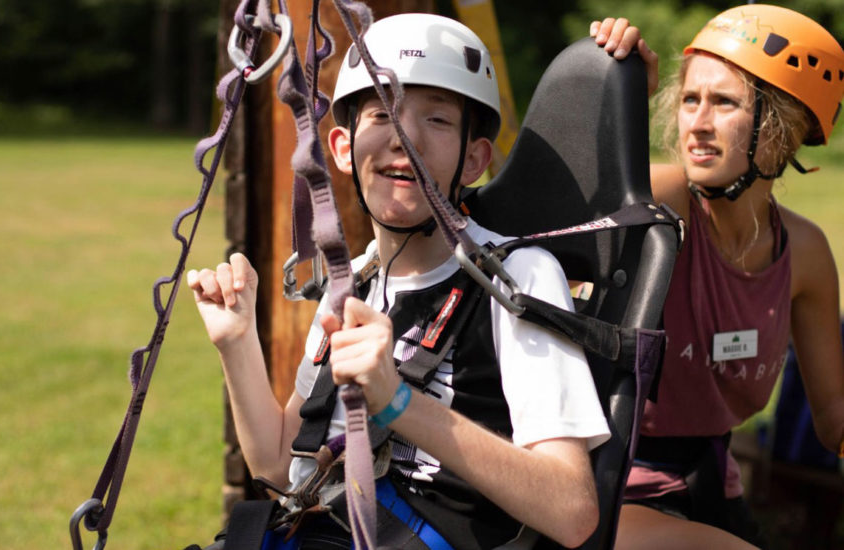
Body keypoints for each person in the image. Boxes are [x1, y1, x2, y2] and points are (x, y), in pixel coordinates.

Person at [188, 13, 646, 549]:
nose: (405, 140)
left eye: (437, 120)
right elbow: (277, 459)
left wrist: (398, 402)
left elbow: (572, 512)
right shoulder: (353, 284)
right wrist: (236, 343)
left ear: (474, 158)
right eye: (383, 112)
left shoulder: (517, 278)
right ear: (341, 148)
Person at [593, 6, 844, 549]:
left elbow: (832, 420)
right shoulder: (657, 201)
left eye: (724, 102)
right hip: (610, 481)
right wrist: (617, 98)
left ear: (789, 125)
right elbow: (566, 196)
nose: (697, 124)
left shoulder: (805, 252)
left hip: (713, 482)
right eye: (689, 100)